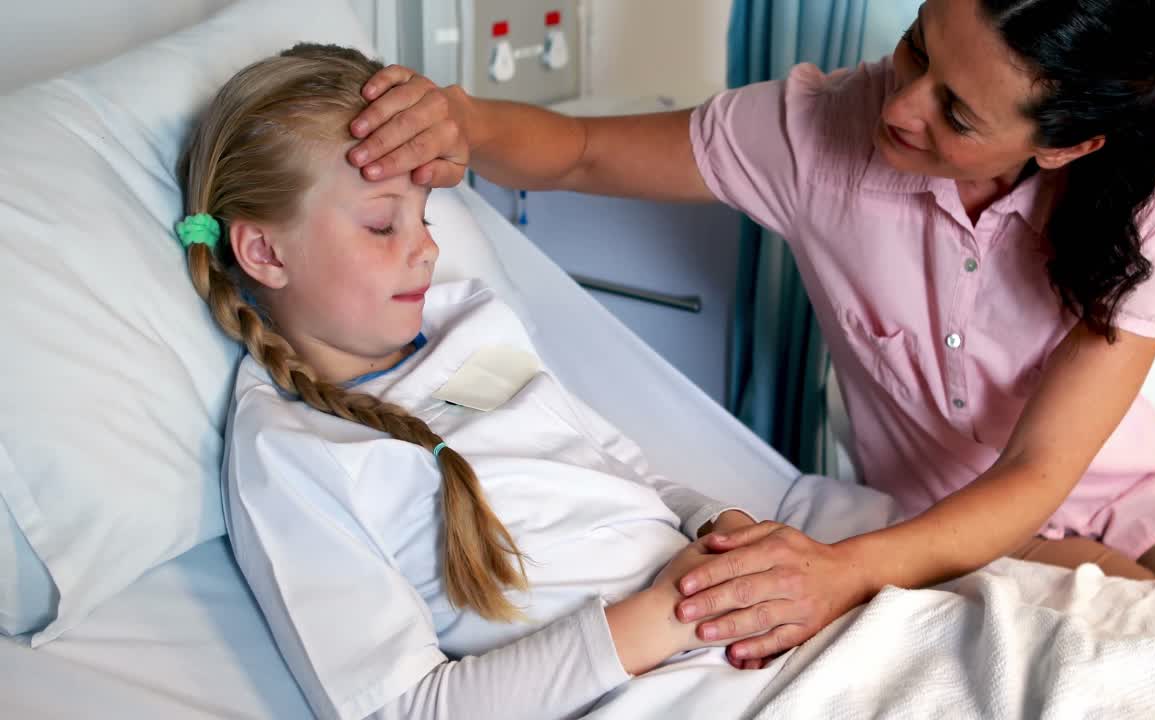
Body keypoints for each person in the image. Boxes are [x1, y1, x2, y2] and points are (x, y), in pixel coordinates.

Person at [346, 0, 1155, 668]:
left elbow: (1040, 472)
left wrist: (840, 573)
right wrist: (463, 120)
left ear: (1065, 146)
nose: (902, 106)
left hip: (1135, 492)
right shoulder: (816, 133)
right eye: (916, 51)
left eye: (958, 114)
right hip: (933, 522)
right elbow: (580, 149)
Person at [175, 42, 813, 720]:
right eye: (381, 223)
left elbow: (622, 470)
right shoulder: (290, 449)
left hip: (753, 626)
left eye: (423, 214)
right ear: (265, 251)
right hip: (677, 685)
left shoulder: (474, 321)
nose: (427, 246)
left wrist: (719, 525)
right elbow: (406, 709)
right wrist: (668, 617)